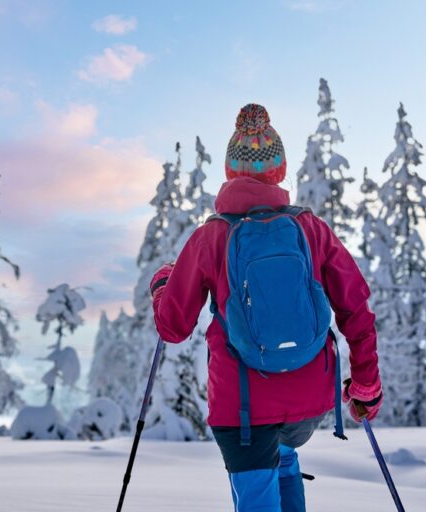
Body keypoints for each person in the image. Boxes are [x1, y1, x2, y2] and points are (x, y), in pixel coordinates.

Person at [149, 104, 383, 512]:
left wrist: (163, 285)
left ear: (229, 171)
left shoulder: (211, 237)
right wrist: (366, 384)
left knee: (257, 486)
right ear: (279, 171)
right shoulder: (310, 228)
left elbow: (172, 326)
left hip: (242, 408)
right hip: (307, 400)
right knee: (285, 454)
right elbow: (355, 307)